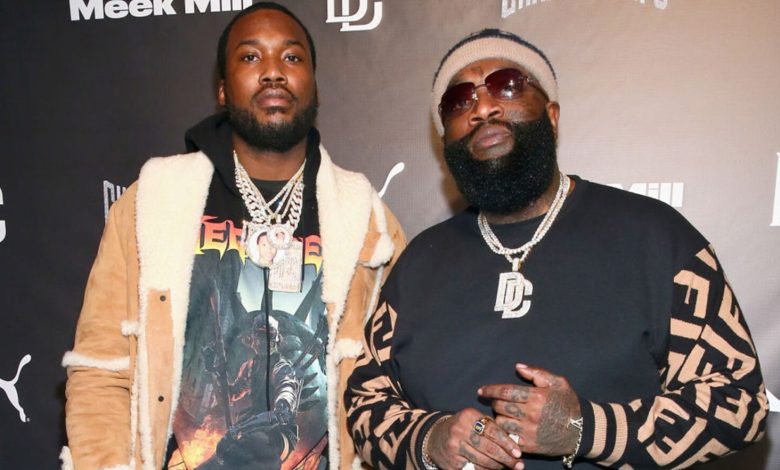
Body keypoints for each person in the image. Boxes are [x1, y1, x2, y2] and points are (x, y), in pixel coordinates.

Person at [345, 29, 768, 470]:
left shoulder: (656, 237)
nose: (483, 108)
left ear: (551, 116)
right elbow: (364, 402)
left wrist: (586, 429)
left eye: (508, 85)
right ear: (446, 141)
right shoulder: (420, 261)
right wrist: (429, 440)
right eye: (459, 101)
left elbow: (738, 403)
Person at [60, 3, 404, 469]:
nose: (273, 72)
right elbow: (101, 370)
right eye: (250, 57)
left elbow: (393, 384)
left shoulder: (366, 218)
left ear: (315, 87)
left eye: (291, 57)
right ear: (222, 89)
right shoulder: (155, 200)